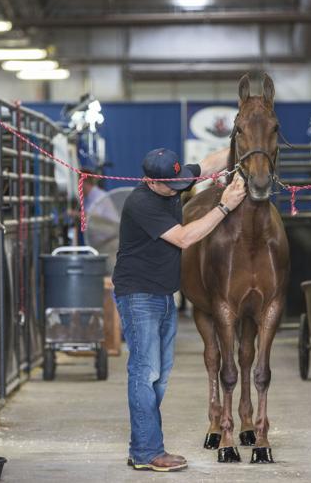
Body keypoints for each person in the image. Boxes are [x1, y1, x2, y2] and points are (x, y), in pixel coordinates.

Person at [112, 147, 245, 472]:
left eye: (179, 182)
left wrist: (241, 146)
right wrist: (225, 205)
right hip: (138, 296)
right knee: (145, 373)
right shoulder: (141, 203)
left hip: (161, 296)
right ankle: (147, 452)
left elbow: (211, 161)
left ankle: (141, 446)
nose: (177, 189)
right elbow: (185, 238)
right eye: (170, 186)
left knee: (160, 375)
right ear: (151, 181)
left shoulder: (174, 178)